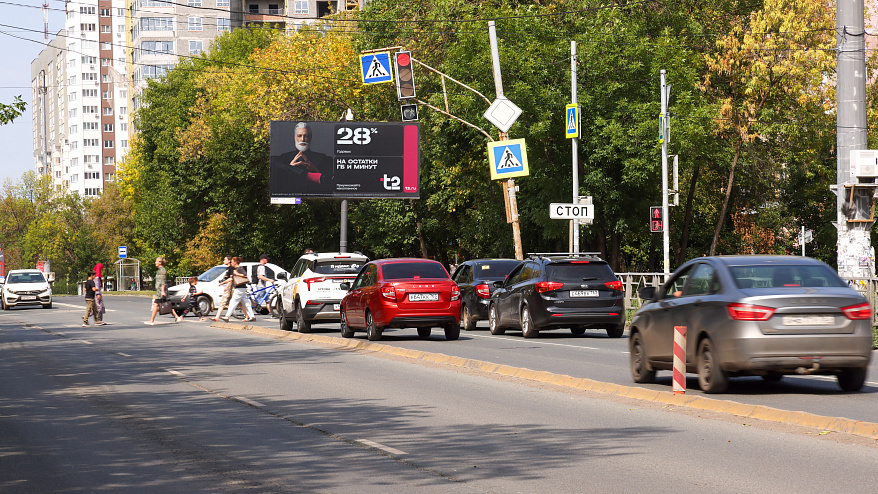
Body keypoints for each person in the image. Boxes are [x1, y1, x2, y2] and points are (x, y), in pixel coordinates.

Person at [270, 122, 333, 195]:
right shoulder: (284, 158)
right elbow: (278, 187)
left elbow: (329, 186)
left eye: (305, 136)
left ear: (310, 137)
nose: (302, 139)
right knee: (274, 161)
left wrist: (315, 170)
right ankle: (308, 175)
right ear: (295, 138)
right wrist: (290, 168)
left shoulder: (323, 158)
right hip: (291, 195)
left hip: (314, 196)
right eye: (299, 136)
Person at [147, 256, 181, 325]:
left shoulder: (162, 270)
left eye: (156, 261)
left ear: (160, 262)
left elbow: (163, 281)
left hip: (161, 291)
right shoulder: (160, 270)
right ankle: (177, 317)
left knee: (155, 304)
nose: (155, 262)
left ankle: (151, 320)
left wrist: (162, 291)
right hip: (160, 291)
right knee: (167, 304)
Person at [222, 257, 255, 322]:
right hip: (240, 287)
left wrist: (237, 274)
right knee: (246, 303)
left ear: (235, 262)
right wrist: (223, 283)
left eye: (232, 262)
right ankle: (252, 316)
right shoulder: (235, 269)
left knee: (233, 302)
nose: (231, 263)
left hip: (240, 287)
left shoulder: (240, 268)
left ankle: (227, 316)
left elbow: (245, 275)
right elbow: (232, 279)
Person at [211, 255, 235, 322]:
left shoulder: (231, 268)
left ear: (229, 260)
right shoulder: (228, 268)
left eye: (225, 259)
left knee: (224, 302)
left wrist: (226, 285)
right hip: (230, 288)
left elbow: (231, 279)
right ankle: (217, 317)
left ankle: (248, 316)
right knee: (238, 303)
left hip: (231, 287)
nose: (224, 261)